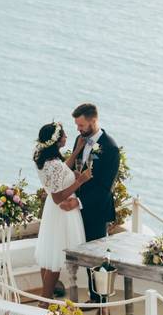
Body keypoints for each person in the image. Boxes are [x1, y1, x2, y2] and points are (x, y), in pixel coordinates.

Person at [33, 121, 92, 304]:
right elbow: (58, 197)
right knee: (56, 257)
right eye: (64, 135)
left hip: (52, 212)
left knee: (49, 254)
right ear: (57, 141)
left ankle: (45, 296)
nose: (67, 137)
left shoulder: (43, 157)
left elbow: (60, 172)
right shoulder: (53, 164)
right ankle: (45, 301)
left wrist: (76, 152)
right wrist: (80, 180)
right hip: (61, 211)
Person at [71, 103, 120, 303]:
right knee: (85, 255)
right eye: (76, 125)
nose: (78, 129)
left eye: (81, 124)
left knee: (98, 258)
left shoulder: (110, 148)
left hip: (97, 209)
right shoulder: (78, 140)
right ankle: (93, 297)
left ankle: (102, 303)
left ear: (93, 120)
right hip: (78, 208)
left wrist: (80, 202)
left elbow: (104, 187)